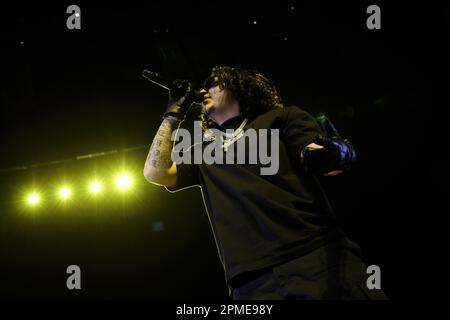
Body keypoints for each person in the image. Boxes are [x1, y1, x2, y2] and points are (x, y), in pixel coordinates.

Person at [143, 66, 387, 300]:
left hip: (315, 257)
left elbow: (314, 154)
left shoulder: (280, 117)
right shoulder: (202, 150)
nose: (205, 90)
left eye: (213, 83)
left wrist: (337, 154)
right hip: (251, 283)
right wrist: (173, 112)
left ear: (239, 87)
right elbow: (155, 172)